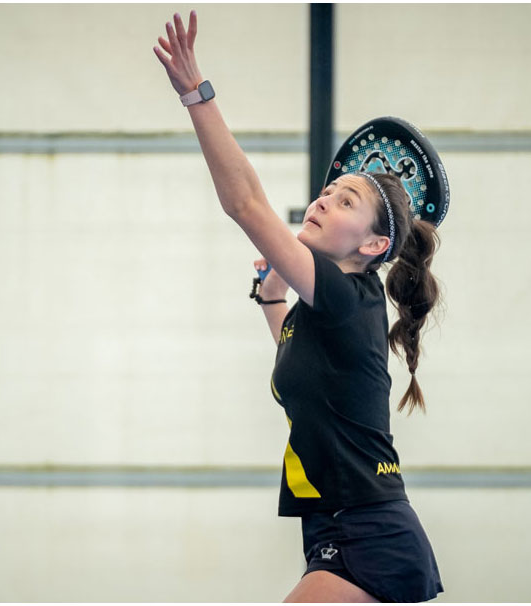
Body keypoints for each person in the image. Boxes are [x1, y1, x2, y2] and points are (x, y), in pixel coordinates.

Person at [154, 11, 445, 603]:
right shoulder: (329, 312)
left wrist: (195, 95)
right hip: (335, 534)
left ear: (373, 246)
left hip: (370, 536)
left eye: (346, 201)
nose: (323, 200)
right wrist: (271, 297)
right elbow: (301, 355)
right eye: (327, 192)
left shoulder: (345, 295)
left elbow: (244, 203)